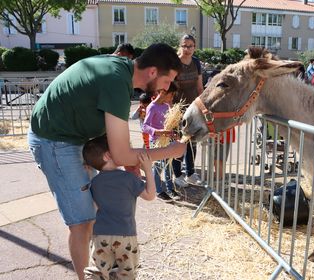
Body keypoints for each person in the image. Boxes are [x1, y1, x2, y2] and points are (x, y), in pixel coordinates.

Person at [28, 43, 186, 280]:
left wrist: (132, 160)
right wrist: (172, 151)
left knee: (93, 216)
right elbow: (121, 154)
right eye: (167, 81)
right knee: (82, 222)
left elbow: (118, 143)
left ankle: (100, 272)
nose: (167, 88)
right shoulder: (116, 82)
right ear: (152, 72)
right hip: (55, 141)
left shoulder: (121, 71)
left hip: (75, 137)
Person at [82, 135, 155, 280]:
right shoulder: (128, 178)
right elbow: (150, 195)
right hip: (125, 235)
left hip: (100, 234)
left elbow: (96, 206)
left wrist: (89, 170)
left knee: (97, 271)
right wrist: (148, 170)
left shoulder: (94, 182)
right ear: (108, 155)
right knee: (126, 273)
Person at [173, 34, 204, 188]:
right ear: (180, 46)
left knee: (192, 142)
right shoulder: (175, 63)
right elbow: (169, 87)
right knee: (179, 142)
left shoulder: (197, 63)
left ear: (194, 47)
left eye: (190, 46)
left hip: (193, 109)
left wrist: (203, 107)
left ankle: (190, 173)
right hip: (177, 110)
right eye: (184, 45)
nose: (187, 49)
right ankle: (177, 175)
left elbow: (199, 87)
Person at [142, 82, 180, 201]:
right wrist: (160, 132)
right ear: (163, 92)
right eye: (171, 95)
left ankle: (170, 188)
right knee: (158, 166)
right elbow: (145, 127)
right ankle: (158, 191)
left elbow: (169, 125)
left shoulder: (166, 106)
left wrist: (173, 134)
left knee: (169, 166)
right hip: (156, 142)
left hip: (167, 140)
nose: (172, 98)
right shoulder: (152, 107)